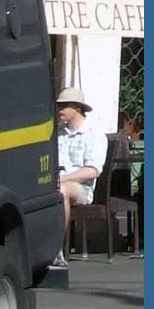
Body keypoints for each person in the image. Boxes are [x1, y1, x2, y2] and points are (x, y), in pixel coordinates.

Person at [55, 86, 109, 266]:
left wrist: (62, 179)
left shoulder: (94, 134)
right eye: (59, 106)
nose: (60, 110)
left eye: (64, 105)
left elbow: (92, 171)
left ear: (77, 107)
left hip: (80, 189)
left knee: (62, 191)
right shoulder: (58, 134)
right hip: (53, 182)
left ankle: (56, 249)